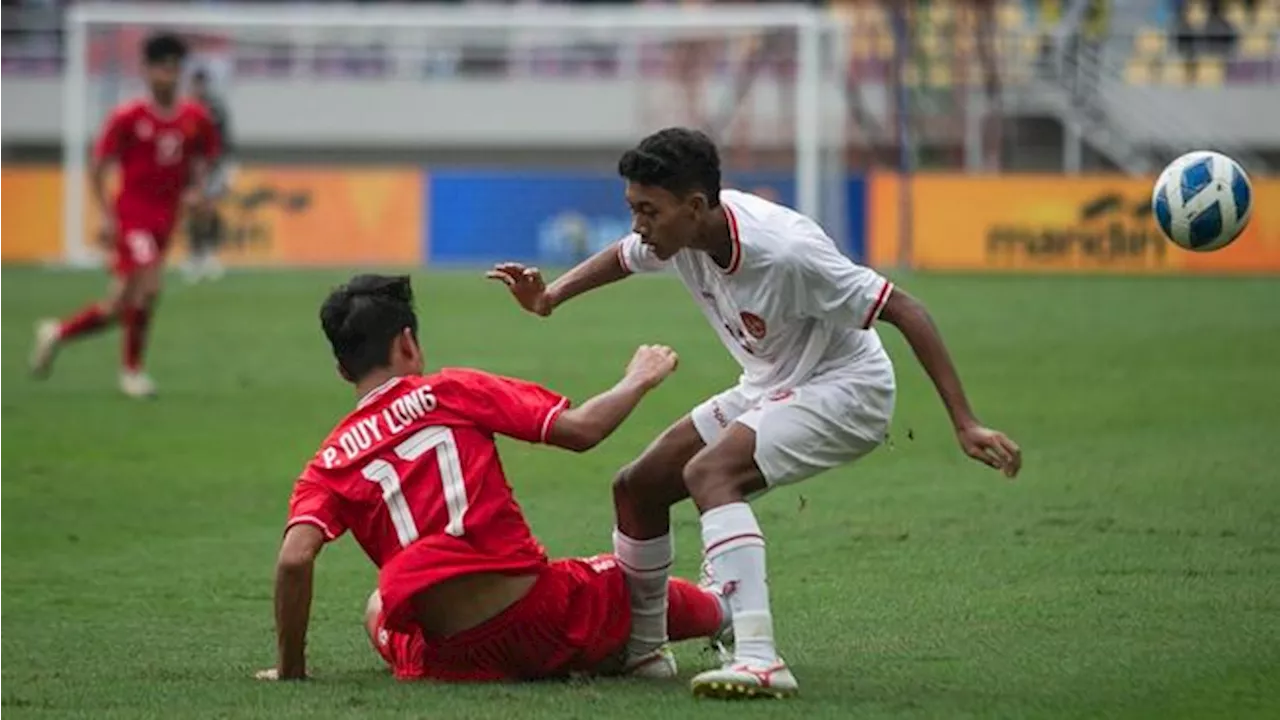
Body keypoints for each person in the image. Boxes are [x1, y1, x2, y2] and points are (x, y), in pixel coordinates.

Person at [487, 127, 1023, 699]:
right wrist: (549, 299)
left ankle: (760, 657)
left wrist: (965, 421)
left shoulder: (786, 251)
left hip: (847, 389)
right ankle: (643, 652)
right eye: (633, 209)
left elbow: (905, 308)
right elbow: (623, 256)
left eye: (648, 211)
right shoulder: (679, 231)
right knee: (637, 486)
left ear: (695, 207)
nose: (639, 224)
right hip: (771, 384)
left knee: (709, 473)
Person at [255, 274, 728, 683]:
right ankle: (721, 611)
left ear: (342, 369)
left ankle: (594, 653)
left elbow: (295, 560)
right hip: (538, 616)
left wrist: (291, 671)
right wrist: (638, 378)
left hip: (449, 658)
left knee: (377, 607)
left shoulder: (327, 463)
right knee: (623, 580)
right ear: (407, 343)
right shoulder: (451, 390)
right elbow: (583, 430)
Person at [29, 32, 219, 398]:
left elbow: (205, 159)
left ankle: (56, 333)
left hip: (166, 219)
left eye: (175, 68)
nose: (169, 75)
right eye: (162, 68)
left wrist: (197, 190)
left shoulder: (195, 117)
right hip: (133, 215)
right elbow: (99, 165)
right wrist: (105, 215)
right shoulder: (128, 116)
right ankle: (132, 372)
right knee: (149, 287)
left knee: (119, 306)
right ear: (147, 71)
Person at [184, 66, 235, 283]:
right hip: (190, 168)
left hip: (215, 167)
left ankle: (209, 254)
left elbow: (225, 141)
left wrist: (228, 168)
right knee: (195, 212)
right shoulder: (184, 108)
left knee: (210, 209)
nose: (199, 88)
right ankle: (195, 255)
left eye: (201, 83)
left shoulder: (215, 108)